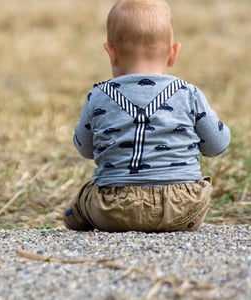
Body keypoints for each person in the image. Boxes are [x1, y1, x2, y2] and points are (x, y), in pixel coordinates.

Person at [63, 0, 230, 232]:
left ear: (111, 53)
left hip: (114, 209)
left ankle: (75, 216)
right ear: (173, 53)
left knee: (85, 197)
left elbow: (85, 149)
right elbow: (217, 145)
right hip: (182, 207)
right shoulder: (188, 94)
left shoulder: (98, 96)